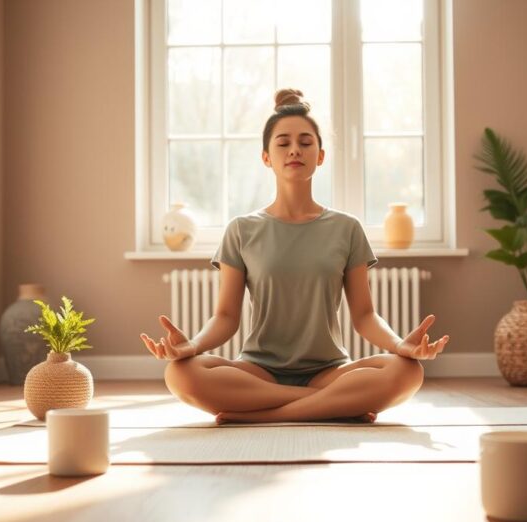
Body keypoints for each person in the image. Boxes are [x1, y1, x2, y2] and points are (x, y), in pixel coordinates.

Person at [140, 88, 449, 424]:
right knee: (180, 374)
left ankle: (260, 416)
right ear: (266, 157)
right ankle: (332, 405)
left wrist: (400, 346)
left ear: (320, 155)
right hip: (258, 373)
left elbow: (364, 315)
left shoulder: (347, 228)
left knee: (407, 372)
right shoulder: (241, 229)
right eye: (283, 143)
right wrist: (192, 346)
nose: (294, 151)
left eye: (305, 142)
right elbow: (227, 316)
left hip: (328, 371)